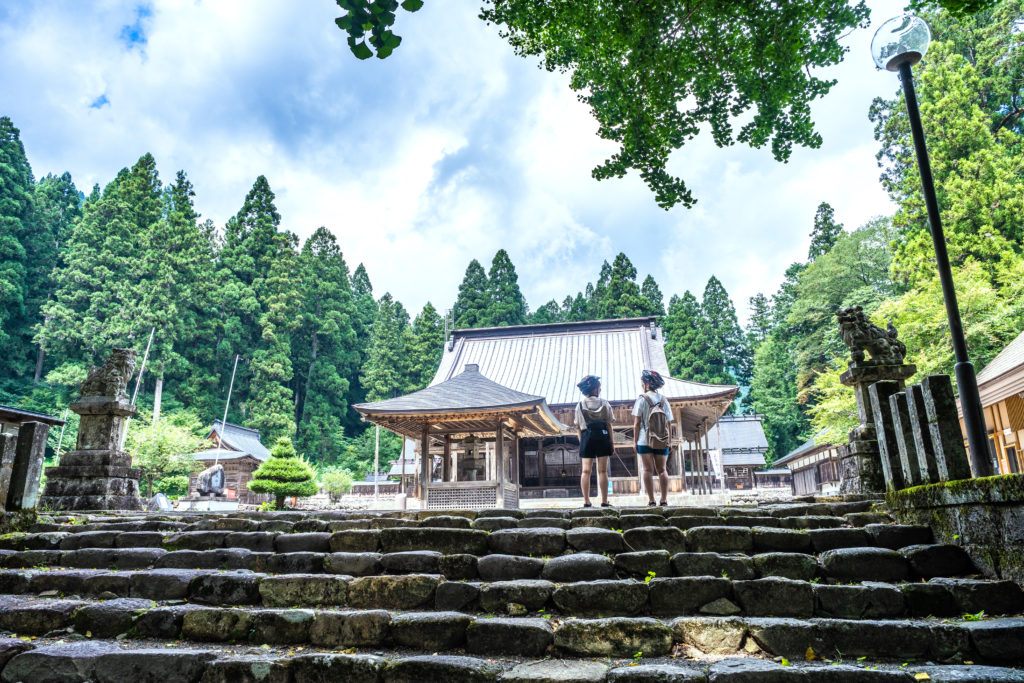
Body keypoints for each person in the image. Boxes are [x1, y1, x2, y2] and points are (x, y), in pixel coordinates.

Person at [632, 369, 673, 506]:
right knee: (662, 470)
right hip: (662, 439)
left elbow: (637, 423)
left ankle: (651, 500)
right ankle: (664, 499)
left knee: (647, 470)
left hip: (644, 439)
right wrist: (670, 441)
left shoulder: (642, 399)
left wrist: (635, 441)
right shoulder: (664, 400)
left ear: (646, 384)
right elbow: (669, 422)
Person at [574, 375, 614, 508]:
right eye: (599, 387)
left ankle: (586, 501)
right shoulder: (605, 403)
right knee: (602, 471)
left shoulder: (579, 405)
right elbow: (609, 425)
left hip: (587, 437)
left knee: (586, 471)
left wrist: (582, 443)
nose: (600, 389)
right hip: (602, 436)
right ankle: (604, 501)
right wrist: (612, 443)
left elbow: (578, 427)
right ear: (595, 389)